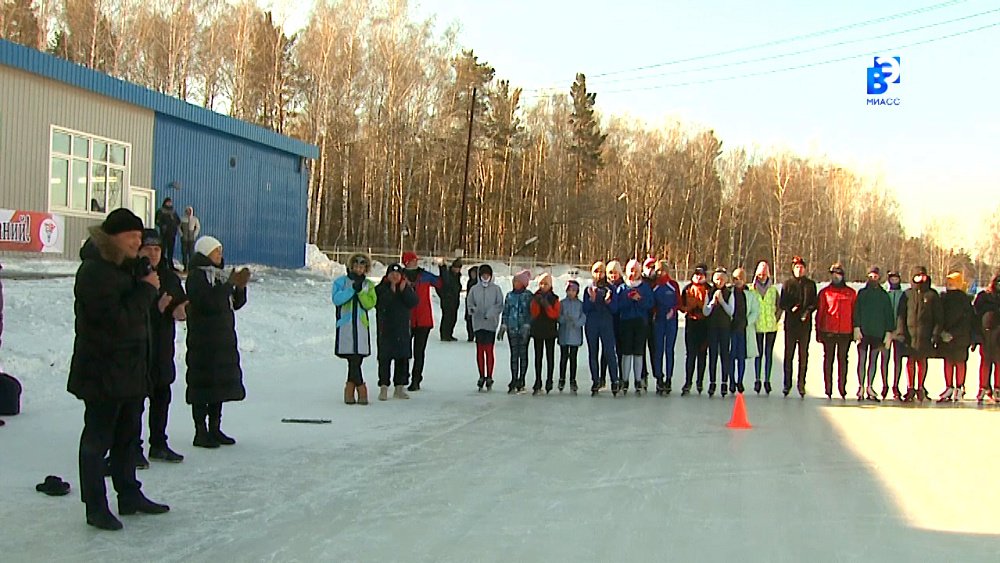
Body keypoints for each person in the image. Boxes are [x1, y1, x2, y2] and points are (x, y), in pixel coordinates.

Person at [68, 208, 169, 531]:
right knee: (97, 441)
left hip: (129, 370)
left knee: (128, 437)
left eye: (140, 237)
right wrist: (145, 290)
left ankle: (129, 494)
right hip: (101, 371)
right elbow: (114, 321)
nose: (137, 242)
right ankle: (95, 505)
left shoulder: (125, 269)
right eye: (132, 237)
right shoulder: (95, 271)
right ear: (113, 236)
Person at [185, 236, 250, 447]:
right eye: (216, 251)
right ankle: (200, 431)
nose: (220, 254)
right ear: (205, 252)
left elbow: (235, 304)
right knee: (202, 384)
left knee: (218, 384)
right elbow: (208, 302)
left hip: (223, 338)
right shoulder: (197, 276)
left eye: (221, 250)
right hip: (203, 339)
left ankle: (215, 428)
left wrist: (240, 287)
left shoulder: (221, 276)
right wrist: (229, 284)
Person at [138, 229, 188, 464]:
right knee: (134, 402)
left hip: (162, 348)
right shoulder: (131, 275)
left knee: (161, 397)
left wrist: (182, 309)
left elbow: (181, 303)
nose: (153, 254)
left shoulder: (168, 276)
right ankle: (131, 448)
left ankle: (158, 443)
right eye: (148, 249)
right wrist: (156, 308)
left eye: (157, 249)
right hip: (137, 349)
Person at [332, 253, 377, 404]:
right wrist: (351, 290)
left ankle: (350, 391)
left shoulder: (368, 285)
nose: (359, 269)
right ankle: (361, 389)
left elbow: (369, 304)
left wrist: (360, 292)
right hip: (346, 327)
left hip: (361, 328)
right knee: (352, 359)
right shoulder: (341, 282)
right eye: (356, 266)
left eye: (362, 266)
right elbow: (337, 299)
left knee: (357, 359)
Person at [895, 266, 942, 403]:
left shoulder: (932, 295)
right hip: (910, 335)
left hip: (925, 335)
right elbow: (901, 316)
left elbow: (939, 317)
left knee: (922, 361)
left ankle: (920, 387)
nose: (920, 278)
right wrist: (901, 332)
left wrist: (935, 334)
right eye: (917, 276)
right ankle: (910, 388)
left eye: (923, 276)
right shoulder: (907, 295)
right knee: (910, 361)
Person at [375, 263, 419, 400]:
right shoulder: (381, 288)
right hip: (386, 330)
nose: (395, 276)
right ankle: (383, 387)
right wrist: (391, 291)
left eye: (397, 274)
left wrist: (404, 290)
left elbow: (413, 302)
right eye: (392, 274)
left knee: (402, 358)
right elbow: (379, 304)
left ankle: (399, 387)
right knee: (384, 359)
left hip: (402, 330)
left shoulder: (406, 287)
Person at [401, 252, 443, 391]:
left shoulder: (424, 275)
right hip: (406, 319)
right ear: (407, 262)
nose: (416, 262)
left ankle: (416, 379)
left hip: (423, 319)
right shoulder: (400, 275)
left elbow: (440, 283)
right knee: (405, 351)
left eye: (416, 260)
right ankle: (403, 376)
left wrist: (443, 269)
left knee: (419, 352)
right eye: (413, 260)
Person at [853, 266, 895, 402]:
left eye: (875, 276)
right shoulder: (862, 294)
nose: (873, 279)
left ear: (879, 278)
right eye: (871, 276)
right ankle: (860, 386)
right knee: (862, 361)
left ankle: (870, 386)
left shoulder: (884, 296)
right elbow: (856, 311)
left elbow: (889, 315)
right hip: (863, 333)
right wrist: (856, 327)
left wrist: (889, 332)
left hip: (878, 334)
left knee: (873, 361)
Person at [816, 263, 857, 400]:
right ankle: (828, 388)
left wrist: (854, 330)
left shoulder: (851, 293)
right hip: (829, 331)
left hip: (845, 332)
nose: (835, 277)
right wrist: (818, 330)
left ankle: (842, 387)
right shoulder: (825, 293)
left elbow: (854, 313)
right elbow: (820, 312)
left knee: (843, 360)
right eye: (833, 274)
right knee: (828, 360)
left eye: (838, 274)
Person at [780, 256, 818, 398]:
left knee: (803, 355)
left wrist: (807, 311)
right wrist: (791, 308)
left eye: (801, 267)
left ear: (805, 269)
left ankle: (801, 383)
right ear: (793, 269)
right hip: (790, 324)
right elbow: (782, 303)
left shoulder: (810, 285)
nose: (799, 269)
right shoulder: (787, 284)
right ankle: (787, 383)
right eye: (796, 267)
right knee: (788, 354)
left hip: (804, 325)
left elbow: (814, 303)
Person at [616, 259, 655, 395]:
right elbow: (618, 306)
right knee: (626, 352)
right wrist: (628, 299)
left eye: (636, 271)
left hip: (640, 322)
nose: (634, 273)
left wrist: (640, 299)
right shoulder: (622, 287)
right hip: (626, 322)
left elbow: (650, 304)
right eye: (631, 270)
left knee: (639, 352)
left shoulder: (645, 287)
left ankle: (638, 380)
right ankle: (625, 380)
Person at [583, 262, 619, 396]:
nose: (599, 274)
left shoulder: (611, 289)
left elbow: (615, 309)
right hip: (592, 324)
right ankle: (595, 380)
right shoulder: (588, 289)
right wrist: (592, 300)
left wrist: (609, 302)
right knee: (593, 352)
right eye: (596, 271)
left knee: (609, 352)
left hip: (606, 324)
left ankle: (614, 380)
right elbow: (585, 309)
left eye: (601, 271)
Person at [937, 271, 974, 402]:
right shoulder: (943, 298)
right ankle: (949, 386)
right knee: (948, 362)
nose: (949, 285)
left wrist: (954, 333)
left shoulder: (964, 300)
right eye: (948, 283)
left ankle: (959, 386)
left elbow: (968, 319)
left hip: (961, 337)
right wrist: (941, 332)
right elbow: (939, 316)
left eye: (952, 283)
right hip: (945, 336)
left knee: (959, 362)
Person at [467, 264, 504, 391]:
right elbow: (470, 303)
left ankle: (489, 375)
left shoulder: (496, 289)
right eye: (483, 275)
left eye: (487, 275)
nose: (485, 277)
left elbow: (499, 305)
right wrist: (472, 310)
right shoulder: (474, 289)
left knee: (489, 350)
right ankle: (481, 375)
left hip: (490, 324)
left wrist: (491, 313)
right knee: (479, 350)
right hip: (478, 324)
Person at [703, 267, 735, 398]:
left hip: (725, 328)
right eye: (717, 279)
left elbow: (731, 311)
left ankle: (724, 382)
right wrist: (712, 302)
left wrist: (721, 301)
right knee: (713, 356)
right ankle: (712, 382)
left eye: (722, 279)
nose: (719, 281)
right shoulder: (709, 292)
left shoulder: (729, 293)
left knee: (724, 355)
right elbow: (705, 311)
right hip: (712, 328)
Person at [500, 269, 533, 393]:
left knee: (523, 354)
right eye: (514, 281)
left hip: (524, 330)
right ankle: (514, 378)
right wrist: (504, 324)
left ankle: (522, 379)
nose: (514, 283)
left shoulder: (528, 296)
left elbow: (532, 313)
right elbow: (506, 311)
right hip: (512, 329)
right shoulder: (510, 295)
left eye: (517, 281)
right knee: (514, 355)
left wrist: (528, 325)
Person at [680, 265, 711, 395]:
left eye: (701, 274)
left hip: (705, 324)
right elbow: (681, 306)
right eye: (696, 274)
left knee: (702, 354)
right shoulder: (687, 288)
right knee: (690, 354)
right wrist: (688, 307)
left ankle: (700, 381)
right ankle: (688, 381)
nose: (698, 277)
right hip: (691, 323)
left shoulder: (709, 289)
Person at [750, 261, 780, 395]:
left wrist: (775, 318)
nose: (762, 276)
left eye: (764, 273)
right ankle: (757, 379)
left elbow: (779, 307)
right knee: (759, 354)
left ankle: (767, 380)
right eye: (760, 274)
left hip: (771, 327)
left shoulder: (773, 290)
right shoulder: (752, 289)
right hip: (757, 327)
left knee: (769, 354)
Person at [650, 260, 680, 395]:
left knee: (669, 350)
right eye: (658, 271)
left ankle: (669, 378)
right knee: (658, 350)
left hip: (671, 321)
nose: (660, 273)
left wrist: (673, 310)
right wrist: (655, 312)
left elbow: (678, 302)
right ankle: (659, 378)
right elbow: (651, 302)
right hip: (659, 321)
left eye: (662, 270)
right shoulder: (654, 286)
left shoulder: (673, 285)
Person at [530, 273, 561, 395]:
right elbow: (534, 313)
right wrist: (537, 303)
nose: (543, 286)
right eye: (541, 284)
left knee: (550, 356)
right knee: (538, 356)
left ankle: (549, 379)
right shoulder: (535, 297)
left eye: (546, 284)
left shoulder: (554, 298)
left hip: (550, 330)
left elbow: (555, 314)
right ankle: (538, 380)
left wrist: (547, 305)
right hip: (538, 329)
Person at [972, 274, 1000, 403]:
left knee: (998, 362)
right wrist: (975, 336)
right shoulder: (984, 296)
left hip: (998, 334)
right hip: (985, 333)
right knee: (985, 361)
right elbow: (975, 315)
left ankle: (997, 388)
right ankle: (983, 386)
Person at [730, 268, 758, 394]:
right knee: (731, 355)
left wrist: (747, 322)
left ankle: (740, 380)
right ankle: (731, 380)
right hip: (731, 328)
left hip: (743, 328)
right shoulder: (729, 292)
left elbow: (755, 311)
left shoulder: (750, 294)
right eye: (735, 278)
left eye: (740, 278)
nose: (737, 281)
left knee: (741, 356)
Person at [558, 280, 586, 394]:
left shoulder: (580, 304)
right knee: (564, 357)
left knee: (573, 358)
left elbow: (584, 316)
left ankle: (573, 379)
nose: (571, 292)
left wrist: (577, 322)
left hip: (575, 334)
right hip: (564, 333)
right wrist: (564, 319)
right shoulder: (562, 303)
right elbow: (558, 316)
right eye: (569, 290)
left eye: (573, 290)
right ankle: (562, 378)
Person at [884, 271, 907, 400]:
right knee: (885, 360)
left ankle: (895, 385)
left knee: (898, 360)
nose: (894, 281)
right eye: (891, 279)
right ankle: (885, 385)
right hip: (886, 331)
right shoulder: (885, 293)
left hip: (899, 332)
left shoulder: (903, 295)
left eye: (896, 279)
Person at [438, 259, 464, 342]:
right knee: (447, 317)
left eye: (459, 268)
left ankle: (449, 334)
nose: (457, 270)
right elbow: (443, 283)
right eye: (456, 268)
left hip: (455, 300)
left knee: (453, 318)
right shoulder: (447, 274)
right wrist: (444, 296)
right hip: (447, 300)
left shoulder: (457, 276)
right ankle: (444, 335)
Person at [155, 198, 181, 271]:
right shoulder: (161, 211)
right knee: (162, 249)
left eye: (170, 202)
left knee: (171, 250)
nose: (169, 204)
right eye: (168, 202)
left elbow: (178, 221)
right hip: (164, 234)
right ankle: (161, 265)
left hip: (172, 233)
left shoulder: (173, 212)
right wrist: (163, 225)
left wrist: (176, 226)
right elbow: (157, 221)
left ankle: (170, 265)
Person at [178, 206, 201, 272]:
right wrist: (181, 234)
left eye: (189, 211)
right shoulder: (182, 219)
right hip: (184, 239)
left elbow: (198, 227)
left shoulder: (194, 219)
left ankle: (191, 267)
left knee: (191, 253)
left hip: (191, 239)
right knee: (184, 253)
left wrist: (194, 235)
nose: (188, 212)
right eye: (187, 210)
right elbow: (178, 227)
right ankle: (185, 266)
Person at [465, 265, 479, 342]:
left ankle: (476, 335)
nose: (472, 275)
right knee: (469, 320)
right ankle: (470, 335)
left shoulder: (478, 283)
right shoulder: (469, 281)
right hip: (469, 302)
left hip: (476, 303)